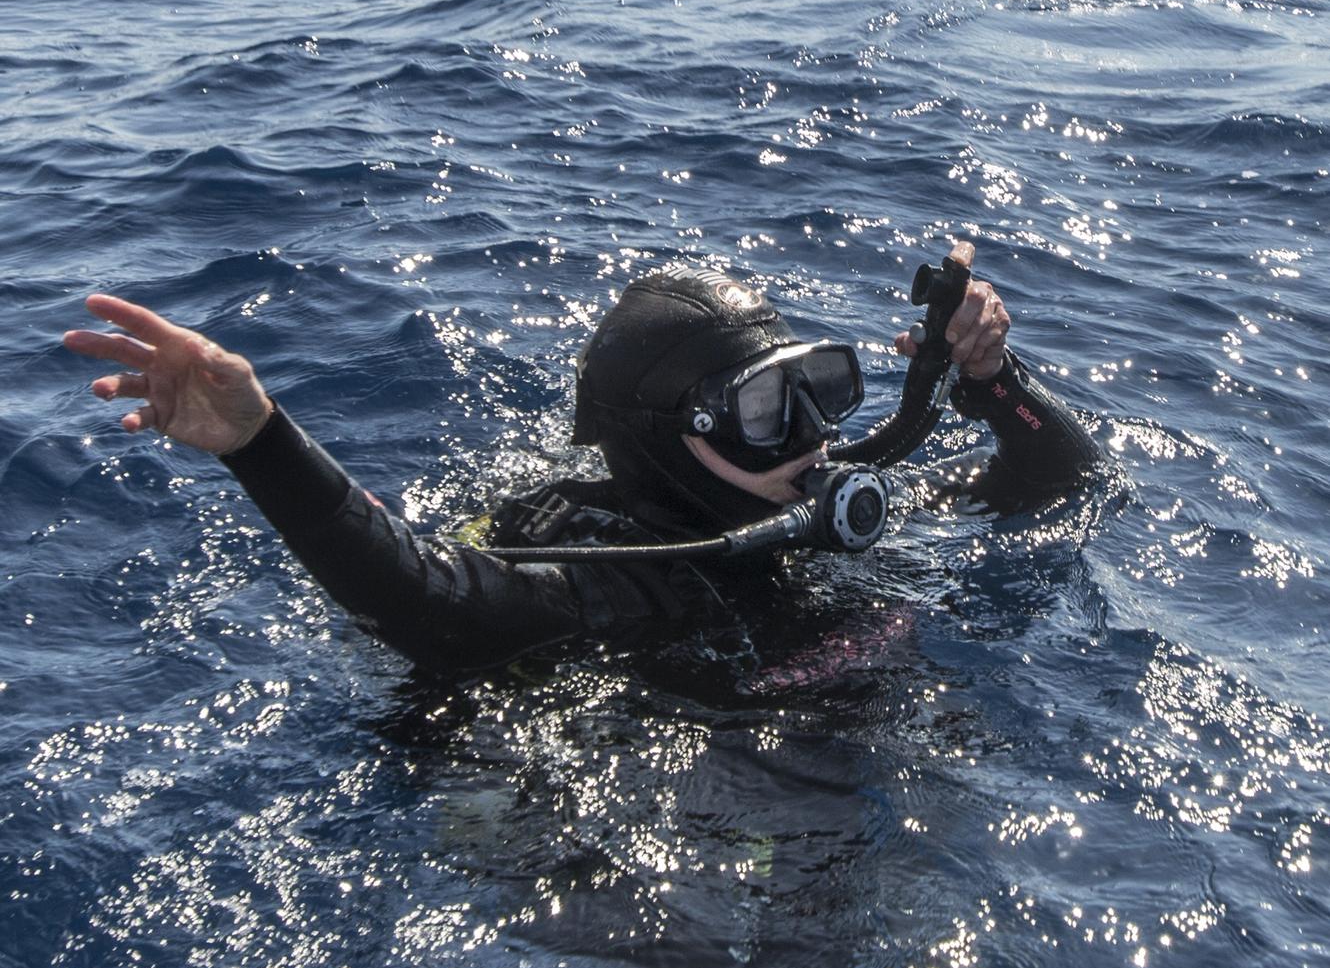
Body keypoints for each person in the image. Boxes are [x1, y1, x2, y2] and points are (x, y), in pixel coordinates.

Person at [63, 242, 1103, 682]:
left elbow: (1058, 481)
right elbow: (421, 593)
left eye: (814, 388)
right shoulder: (612, 584)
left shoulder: (816, 503)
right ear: (665, 441)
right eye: (756, 409)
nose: (809, 439)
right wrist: (259, 442)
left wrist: (987, 374)